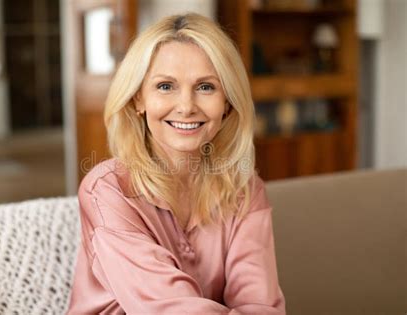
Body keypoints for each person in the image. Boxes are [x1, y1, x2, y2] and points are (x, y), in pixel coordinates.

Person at [67, 13, 286, 314]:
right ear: (138, 100)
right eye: (165, 86)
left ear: (227, 103)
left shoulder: (245, 190)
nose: (186, 107)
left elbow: (260, 306)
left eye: (206, 87)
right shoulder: (107, 191)